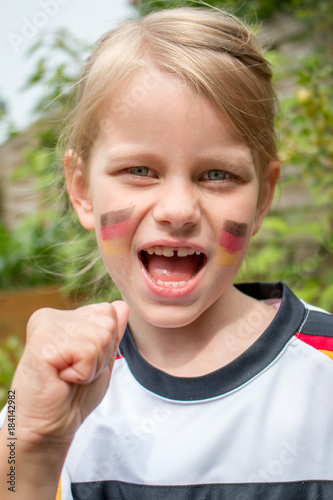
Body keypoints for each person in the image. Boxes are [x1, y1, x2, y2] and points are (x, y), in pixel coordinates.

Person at [1, 6, 333, 500]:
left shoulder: (323, 370)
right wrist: (24, 441)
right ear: (81, 190)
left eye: (217, 174)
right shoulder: (50, 389)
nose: (178, 210)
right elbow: (10, 470)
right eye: (139, 169)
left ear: (263, 198)